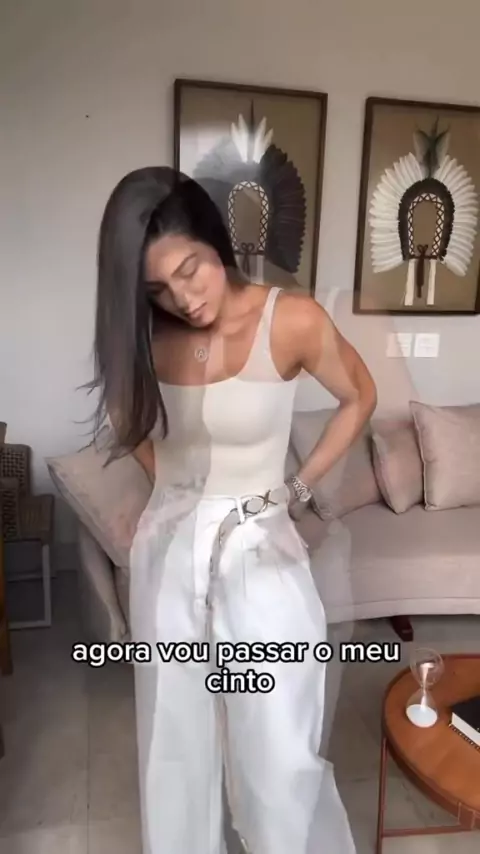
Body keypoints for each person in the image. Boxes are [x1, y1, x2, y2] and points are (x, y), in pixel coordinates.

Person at [91, 166, 377, 854]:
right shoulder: (148, 333)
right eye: (158, 290)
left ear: (214, 239)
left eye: (190, 270)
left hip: (261, 551)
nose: (184, 299)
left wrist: (297, 489)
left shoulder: (292, 319)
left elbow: (360, 396)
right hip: (168, 561)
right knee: (175, 743)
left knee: (277, 741)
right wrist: (172, 496)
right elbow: (127, 418)